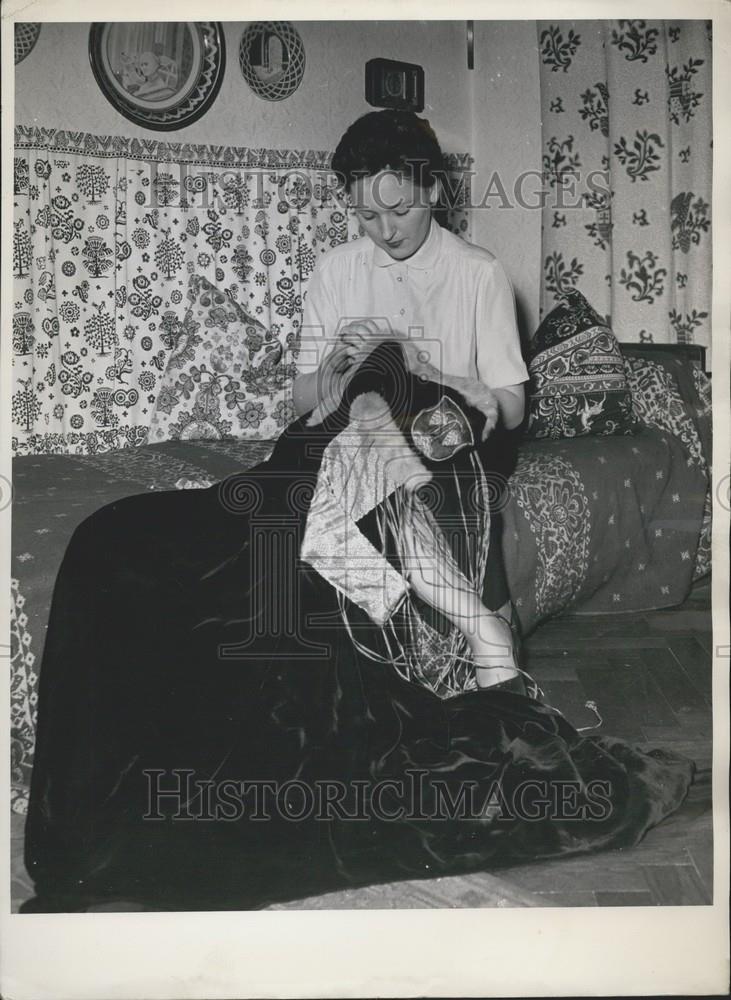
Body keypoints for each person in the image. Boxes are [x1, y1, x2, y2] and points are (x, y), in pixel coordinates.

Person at [293, 110, 530, 693]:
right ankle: (479, 632)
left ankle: (445, 645)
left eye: (400, 211)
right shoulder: (335, 270)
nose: (386, 230)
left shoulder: (479, 273)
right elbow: (302, 399)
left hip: (454, 434)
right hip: (357, 434)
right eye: (367, 215)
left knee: (390, 451)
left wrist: (414, 362)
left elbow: (512, 405)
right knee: (354, 446)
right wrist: (337, 371)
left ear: (436, 191)